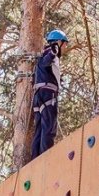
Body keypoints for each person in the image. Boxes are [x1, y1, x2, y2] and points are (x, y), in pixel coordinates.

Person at [31, 29, 68, 159]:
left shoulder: (42, 55)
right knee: (49, 128)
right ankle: (45, 159)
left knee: (40, 129)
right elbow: (47, 61)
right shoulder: (52, 51)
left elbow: (45, 68)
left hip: (39, 95)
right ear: (59, 42)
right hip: (48, 95)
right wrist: (53, 53)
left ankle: (35, 159)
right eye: (65, 44)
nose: (66, 47)